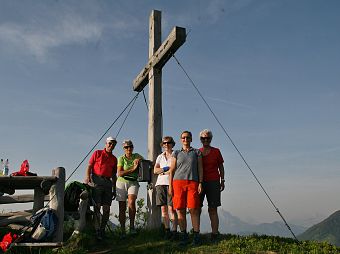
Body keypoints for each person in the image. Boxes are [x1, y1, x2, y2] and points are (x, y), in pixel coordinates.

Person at [169, 131, 203, 246]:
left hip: (193, 182)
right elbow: (172, 170)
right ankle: (184, 236)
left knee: (194, 209)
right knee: (180, 209)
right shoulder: (176, 153)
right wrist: (170, 186)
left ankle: (196, 235)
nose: (185, 139)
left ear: (191, 139)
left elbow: (200, 169)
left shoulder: (197, 152)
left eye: (187, 137)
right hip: (177, 183)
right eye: (183, 138)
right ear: (180, 140)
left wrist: (200, 183)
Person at [84, 136, 118, 240]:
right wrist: (87, 177)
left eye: (113, 144)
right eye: (110, 143)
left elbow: (113, 175)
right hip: (96, 181)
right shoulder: (97, 153)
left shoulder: (114, 159)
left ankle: (102, 230)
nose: (111, 145)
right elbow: (89, 166)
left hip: (108, 183)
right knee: (97, 207)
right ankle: (97, 231)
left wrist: (114, 189)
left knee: (106, 209)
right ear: (106, 143)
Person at [199, 129, 225, 242]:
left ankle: (214, 234)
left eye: (208, 138)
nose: (206, 140)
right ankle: (196, 233)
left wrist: (222, 180)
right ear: (200, 139)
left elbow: (221, 167)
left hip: (214, 181)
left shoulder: (216, 151)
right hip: (200, 182)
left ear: (211, 139)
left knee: (213, 208)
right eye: (203, 138)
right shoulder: (197, 152)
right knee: (197, 208)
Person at [116, 139, 143, 235]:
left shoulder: (137, 156)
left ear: (133, 147)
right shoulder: (121, 158)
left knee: (131, 203)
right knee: (122, 207)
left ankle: (132, 227)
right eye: (126, 147)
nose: (129, 149)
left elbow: (147, 163)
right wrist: (133, 169)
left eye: (130, 146)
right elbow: (119, 173)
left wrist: (139, 160)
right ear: (123, 148)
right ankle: (122, 230)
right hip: (121, 182)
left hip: (133, 182)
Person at [154, 136, 178, 239]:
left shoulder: (175, 154)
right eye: (164, 143)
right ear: (162, 145)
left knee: (171, 209)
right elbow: (155, 171)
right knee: (163, 210)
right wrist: (166, 169)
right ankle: (167, 231)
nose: (166, 145)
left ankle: (174, 231)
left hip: (171, 183)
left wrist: (162, 171)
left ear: (172, 144)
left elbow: (174, 169)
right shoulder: (160, 156)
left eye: (168, 143)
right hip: (160, 184)